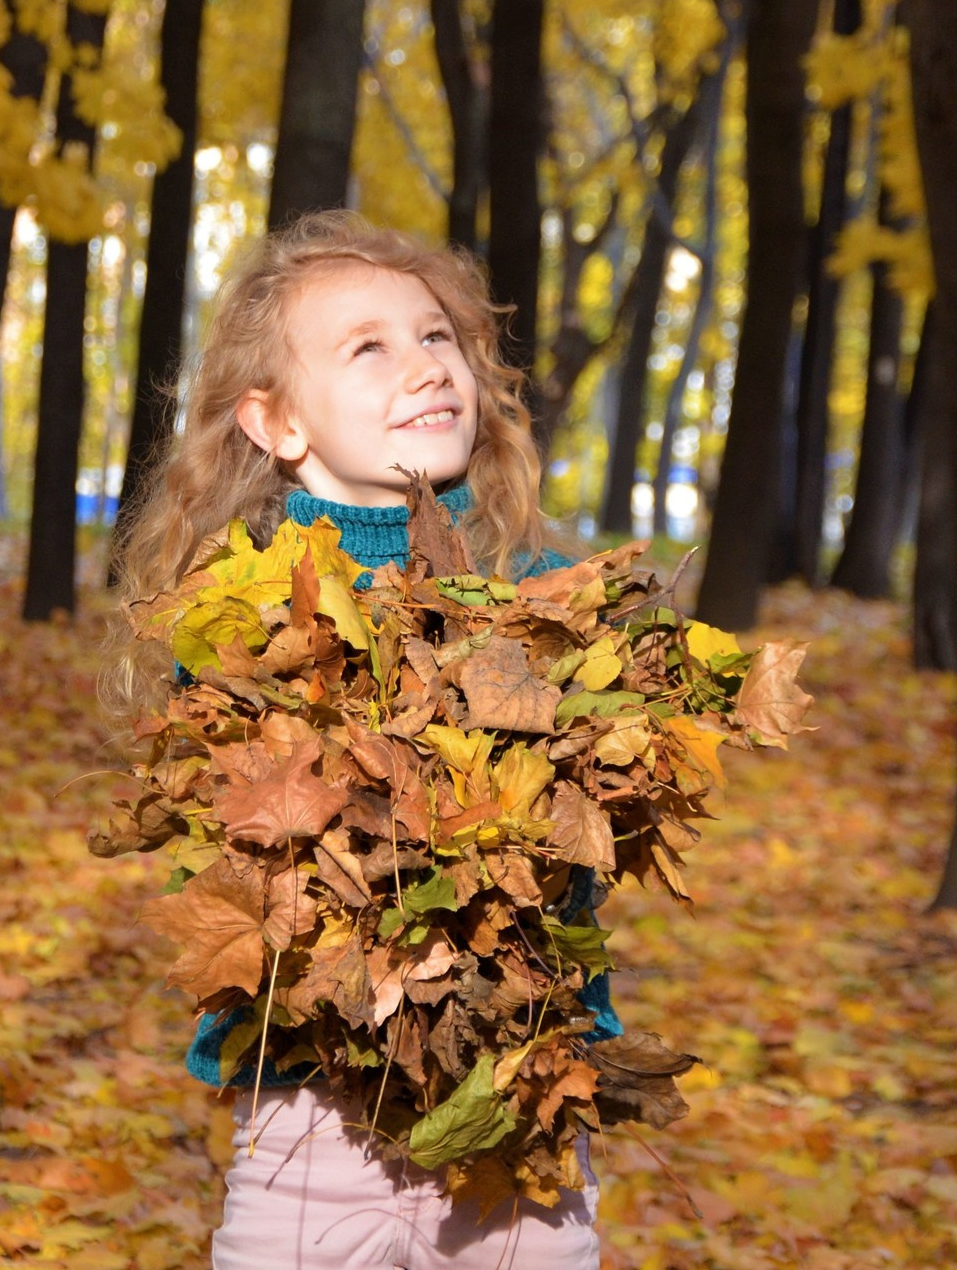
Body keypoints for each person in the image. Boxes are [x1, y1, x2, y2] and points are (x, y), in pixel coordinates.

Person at [111, 211, 608, 1270]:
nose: (425, 368)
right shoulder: (242, 621)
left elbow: (577, 862)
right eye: (368, 347)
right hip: (311, 1117)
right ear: (276, 422)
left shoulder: (544, 609)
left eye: (437, 338)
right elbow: (252, 863)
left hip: (513, 1108)